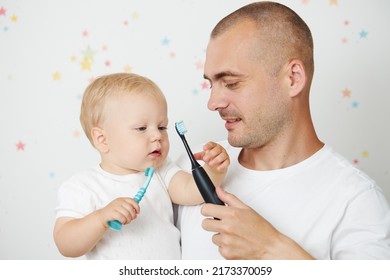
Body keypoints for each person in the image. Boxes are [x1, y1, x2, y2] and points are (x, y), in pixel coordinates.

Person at [176, 1, 390, 259]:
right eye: (211, 84)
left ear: (293, 78)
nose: (212, 103)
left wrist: (271, 249)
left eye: (231, 83)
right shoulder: (190, 173)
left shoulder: (356, 202)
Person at [53, 73, 229, 259]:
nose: (157, 136)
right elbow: (66, 244)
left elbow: (192, 191)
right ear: (103, 139)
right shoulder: (83, 186)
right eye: (141, 128)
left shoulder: (161, 171)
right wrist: (100, 219)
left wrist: (214, 169)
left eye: (162, 127)